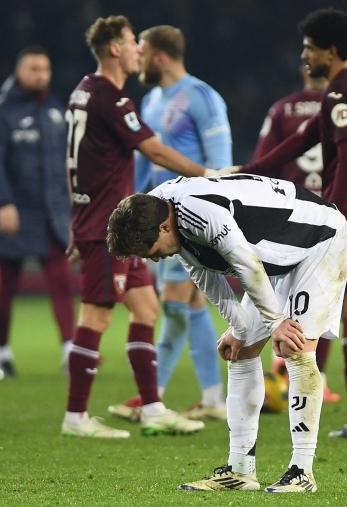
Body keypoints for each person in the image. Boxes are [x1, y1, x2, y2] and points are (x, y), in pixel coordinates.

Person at [106, 175, 347, 493]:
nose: (155, 258)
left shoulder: (199, 211)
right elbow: (201, 270)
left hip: (320, 241)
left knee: (296, 347)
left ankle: (301, 471)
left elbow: (243, 262)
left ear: (164, 228)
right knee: (239, 351)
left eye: (153, 250)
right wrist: (240, 328)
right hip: (272, 260)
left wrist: (276, 322)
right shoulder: (156, 209)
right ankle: (240, 471)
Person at [235, 8, 347, 438]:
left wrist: (332, 210)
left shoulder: (337, 92)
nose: (304, 58)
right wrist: (253, 169)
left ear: (330, 52)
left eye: (309, 49)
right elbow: (305, 138)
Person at [60, 15, 211, 438]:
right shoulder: (110, 96)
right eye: (131, 42)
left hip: (113, 225)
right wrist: (207, 174)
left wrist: (78, 216)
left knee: (146, 308)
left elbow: (74, 162)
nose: (138, 50)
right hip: (108, 227)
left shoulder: (81, 93)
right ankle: (75, 418)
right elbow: (154, 151)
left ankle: (153, 408)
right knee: (96, 315)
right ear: (114, 49)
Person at [108, 25, 231, 423]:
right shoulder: (152, 100)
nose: (137, 58)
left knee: (176, 304)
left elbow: (220, 163)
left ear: (159, 55)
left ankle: (153, 397)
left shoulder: (202, 96)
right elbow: (146, 161)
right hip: (156, 220)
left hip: (186, 219)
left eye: (141, 51)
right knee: (189, 303)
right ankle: (211, 397)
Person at [0, 46, 75, 379]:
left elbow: (65, 163)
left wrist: (69, 204)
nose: (41, 75)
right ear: (20, 72)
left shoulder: (55, 109)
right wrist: (4, 202)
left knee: (62, 281)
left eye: (45, 69)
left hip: (51, 214)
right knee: (5, 286)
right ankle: (2, 353)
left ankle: (68, 351)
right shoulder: (0, 112)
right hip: (14, 213)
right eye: (34, 69)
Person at [251, 65, 341, 403]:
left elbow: (264, 162)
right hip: (331, 213)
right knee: (326, 298)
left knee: (284, 294)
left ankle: (283, 373)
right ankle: (317, 378)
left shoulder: (282, 110)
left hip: (290, 216)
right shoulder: (344, 106)